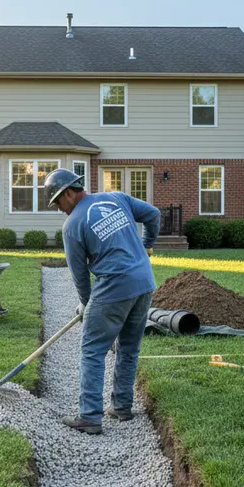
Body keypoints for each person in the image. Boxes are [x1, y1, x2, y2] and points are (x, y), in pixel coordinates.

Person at [44, 167, 161, 435]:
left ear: (69, 193)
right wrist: (148, 246)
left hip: (114, 287)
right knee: (129, 348)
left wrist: (87, 303)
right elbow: (153, 215)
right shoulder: (117, 198)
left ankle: (89, 417)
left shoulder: (72, 224)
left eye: (58, 202)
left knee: (92, 350)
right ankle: (121, 407)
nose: (59, 209)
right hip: (144, 284)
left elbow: (79, 274)